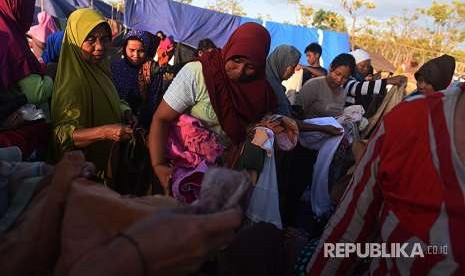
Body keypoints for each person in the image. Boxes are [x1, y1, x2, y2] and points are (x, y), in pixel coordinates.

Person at [305, 83, 465, 275]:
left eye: (428, 81)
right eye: (420, 79)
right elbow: (349, 230)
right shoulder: (409, 121)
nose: (422, 85)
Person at [148, 22, 277, 191]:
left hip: (227, 179)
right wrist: (158, 166)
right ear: (230, 49)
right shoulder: (199, 73)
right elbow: (162, 118)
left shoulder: (262, 92)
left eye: (250, 67)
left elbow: (255, 132)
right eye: (236, 60)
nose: (239, 71)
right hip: (185, 174)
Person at [51, 8, 134, 178]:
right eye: (90, 40)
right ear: (75, 41)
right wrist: (104, 132)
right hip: (85, 172)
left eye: (104, 39)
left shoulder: (99, 69)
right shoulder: (73, 83)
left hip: (106, 163)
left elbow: (110, 97)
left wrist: (124, 111)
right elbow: (62, 135)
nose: (100, 47)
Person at [0, 0, 52, 158]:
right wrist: (51, 76)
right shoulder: (10, 39)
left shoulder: (10, 32)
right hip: (19, 141)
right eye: (28, 7)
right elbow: (35, 92)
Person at [266, 44, 342, 135]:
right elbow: (288, 122)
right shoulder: (273, 87)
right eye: (293, 67)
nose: (294, 71)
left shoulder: (273, 83)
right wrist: (322, 128)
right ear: (282, 63)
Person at [111, 30, 163, 130]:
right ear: (124, 48)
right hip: (113, 121)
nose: (136, 55)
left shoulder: (152, 71)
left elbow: (153, 102)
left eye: (141, 51)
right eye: (131, 50)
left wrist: (140, 123)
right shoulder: (114, 67)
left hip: (140, 125)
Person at [296, 53, 356, 119]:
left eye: (345, 78)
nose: (339, 79)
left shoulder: (343, 93)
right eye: (337, 74)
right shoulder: (313, 85)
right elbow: (297, 114)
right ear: (330, 68)